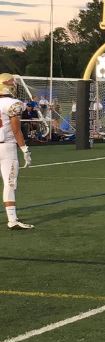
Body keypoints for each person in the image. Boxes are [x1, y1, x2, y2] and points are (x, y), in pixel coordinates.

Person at [0, 73, 33, 230]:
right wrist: (25, 149)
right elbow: (16, 130)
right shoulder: (13, 103)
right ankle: (12, 220)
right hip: (6, 148)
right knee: (10, 182)